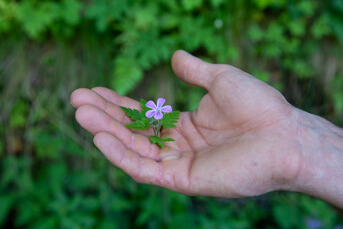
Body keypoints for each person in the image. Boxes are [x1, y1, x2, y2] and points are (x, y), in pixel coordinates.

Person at [71, 50, 343, 208]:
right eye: (154, 112)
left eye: (157, 112)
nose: (156, 112)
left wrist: (296, 140)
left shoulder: (162, 118)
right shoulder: (160, 118)